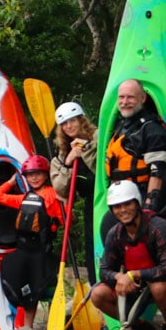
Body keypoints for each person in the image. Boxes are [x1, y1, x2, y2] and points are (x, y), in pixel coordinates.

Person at [88, 181, 166, 330]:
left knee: (159, 287)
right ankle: (140, 328)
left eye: (127, 204)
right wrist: (119, 277)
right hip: (140, 286)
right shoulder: (115, 233)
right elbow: (104, 271)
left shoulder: (158, 227)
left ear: (137, 203)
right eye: (117, 206)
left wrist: (133, 274)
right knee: (97, 294)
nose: (123, 210)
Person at [0, 155, 64, 329]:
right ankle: (27, 329)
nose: (34, 178)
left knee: (43, 288)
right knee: (27, 292)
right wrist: (11, 181)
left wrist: (65, 202)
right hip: (23, 249)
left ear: (45, 175)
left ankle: (54, 325)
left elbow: (65, 218)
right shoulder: (24, 198)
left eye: (38, 174)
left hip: (41, 251)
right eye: (30, 175)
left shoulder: (53, 196)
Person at [105, 79, 166, 216]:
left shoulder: (152, 129)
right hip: (120, 198)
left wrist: (149, 206)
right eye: (121, 97)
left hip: (140, 200)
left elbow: (158, 173)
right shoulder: (122, 126)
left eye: (130, 97)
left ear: (142, 98)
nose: (124, 102)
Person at [50, 101, 99, 277]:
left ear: (81, 120)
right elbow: (60, 189)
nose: (68, 126)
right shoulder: (62, 155)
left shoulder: (99, 138)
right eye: (64, 124)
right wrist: (69, 162)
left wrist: (84, 149)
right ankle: (96, 284)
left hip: (109, 199)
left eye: (72, 121)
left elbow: (103, 168)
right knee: (92, 245)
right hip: (90, 205)